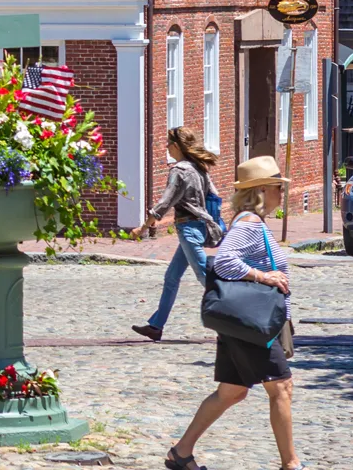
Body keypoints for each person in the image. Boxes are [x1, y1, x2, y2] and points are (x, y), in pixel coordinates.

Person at [166, 156, 300, 470]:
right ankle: (291, 464)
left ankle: (180, 453)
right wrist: (263, 276)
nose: (282, 193)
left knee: (233, 391)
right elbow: (224, 260)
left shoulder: (251, 221)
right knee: (281, 386)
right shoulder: (250, 223)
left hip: (243, 323)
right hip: (254, 324)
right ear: (262, 190)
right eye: (278, 188)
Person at [132, 126, 224, 341]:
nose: (166, 148)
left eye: (168, 144)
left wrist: (143, 228)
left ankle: (234, 322)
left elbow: (164, 203)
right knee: (171, 277)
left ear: (176, 146)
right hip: (199, 225)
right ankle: (156, 326)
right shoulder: (199, 168)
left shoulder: (180, 170)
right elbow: (215, 195)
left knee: (206, 277)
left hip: (189, 229)